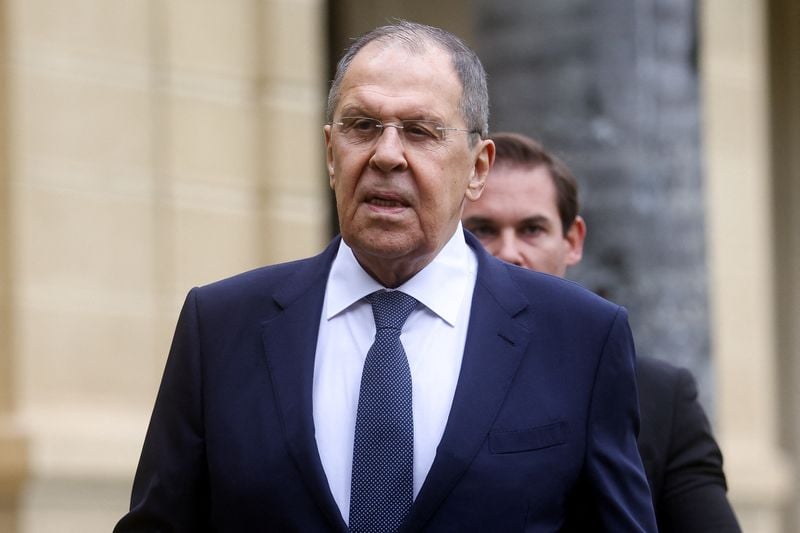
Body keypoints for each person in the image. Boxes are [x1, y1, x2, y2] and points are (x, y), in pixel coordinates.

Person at [115, 22, 656, 532]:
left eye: (420, 131)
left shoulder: (580, 337)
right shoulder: (220, 326)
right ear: (331, 153)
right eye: (362, 126)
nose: (387, 155)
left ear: (478, 168)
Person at [462, 131, 742, 532]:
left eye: (532, 229)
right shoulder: (410, 374)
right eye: (482, 229)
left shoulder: (661, 399)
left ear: (572, 241)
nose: (508, 252)